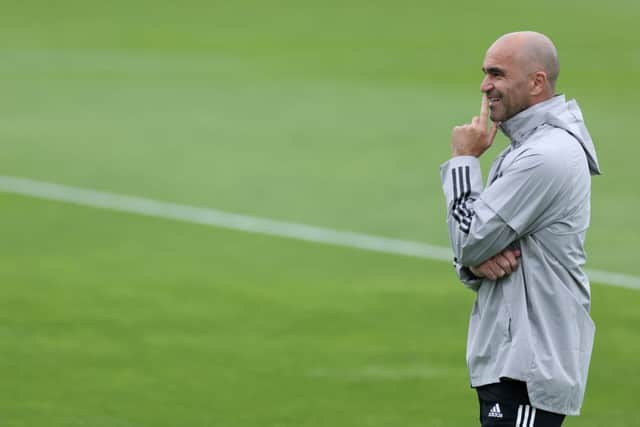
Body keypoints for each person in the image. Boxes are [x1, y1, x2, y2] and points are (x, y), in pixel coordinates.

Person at [439, 31, 601, 427]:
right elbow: (477, 247)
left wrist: (462, 161)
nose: (484, 85)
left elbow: (470, 237)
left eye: (497, 74)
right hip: (514, 359)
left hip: (529, 363)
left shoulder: (544, 156)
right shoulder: (527, 149)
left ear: (536, 82)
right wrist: (474, 263)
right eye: (485, 73)